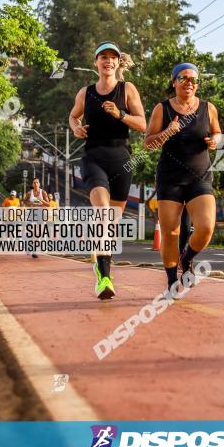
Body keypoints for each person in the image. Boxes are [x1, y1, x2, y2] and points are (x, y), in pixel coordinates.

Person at [69, 41, 146, 300]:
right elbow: (73, 116)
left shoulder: (127, 90)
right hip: (93, 157)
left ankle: (101, 264)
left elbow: (143, 125)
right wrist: (75, 127)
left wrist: (120, 115)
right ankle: (104, 277)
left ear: (117, 63)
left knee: (110, 223)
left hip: (122, 160)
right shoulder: (86, 93)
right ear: (96, 62)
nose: (108, 61)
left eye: (113, 57)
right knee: (102, 213)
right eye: (103, 57)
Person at [144, 62, 221, 291]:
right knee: (171, 232)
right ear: (174, 81)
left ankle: (186, 257)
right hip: (170, 178)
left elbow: (217, 131)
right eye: (184, 78)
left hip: (200, 176)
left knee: (206, 227)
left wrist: (215, 141)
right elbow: (147, 144)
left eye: (193, 79)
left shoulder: (208, 108)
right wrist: (168, 131)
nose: (189, 83)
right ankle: (170, 279)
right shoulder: (163, 109)